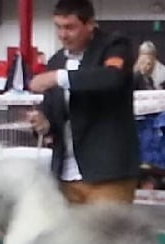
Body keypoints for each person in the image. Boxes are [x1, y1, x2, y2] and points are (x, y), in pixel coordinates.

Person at [27, 0, 139, 204]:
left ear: (90, 24)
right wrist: (44, 124)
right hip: (64, 176)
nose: (63, 35)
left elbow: (111, 78)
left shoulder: (115, 46)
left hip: (108, 175)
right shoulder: (55, 61)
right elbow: (52, 112)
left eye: (70, 27)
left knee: (107, 227)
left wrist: (58, 77)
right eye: (58, 27)